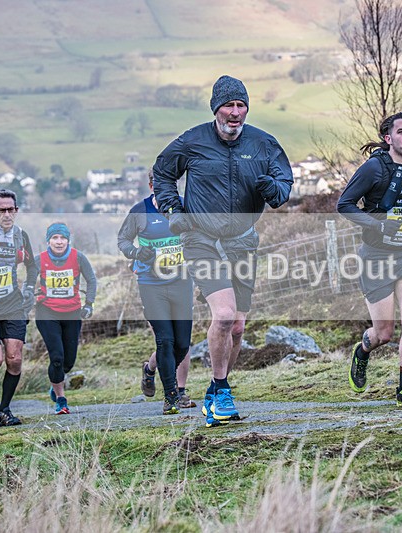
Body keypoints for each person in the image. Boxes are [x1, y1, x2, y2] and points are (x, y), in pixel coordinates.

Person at [153, 75, 292, 427]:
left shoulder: (263, 143)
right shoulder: (192, 141)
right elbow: (163, 173)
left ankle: (215, 393)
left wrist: (271, 188)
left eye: (240, 105)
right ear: (216, 108)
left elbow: (283, 186)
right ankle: (223, 391)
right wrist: (173, 210)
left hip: (242, 241)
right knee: (225, 314)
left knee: (238, 327)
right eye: (228, 105)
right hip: (201, 239)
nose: (235, 112)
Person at [337, 112, 402, 408]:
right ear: (388, 138)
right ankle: (362, 352)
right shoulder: (374, 168)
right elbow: (344, 205)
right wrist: (378, 225)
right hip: (376, 258)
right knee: (384, 333)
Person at [118, 170, 195, 415]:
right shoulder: (139, 212)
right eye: (160, 184)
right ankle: (171, 397)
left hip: (181, 282)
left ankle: (150, 369)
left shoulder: (185, 206)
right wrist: (136, 253)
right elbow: (123, 240)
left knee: (182, 344)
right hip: (151, 284)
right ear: (151, 186)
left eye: (170, 184)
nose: (166, 189)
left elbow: (201, 236)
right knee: (165, 340)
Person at [0, 189, 38, 427]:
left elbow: (32, 266)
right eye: (2, 210)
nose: (6, 214)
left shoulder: (20, 235)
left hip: (12, 303)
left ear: (16, 211)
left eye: (11, 210)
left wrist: (29, 289)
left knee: (14, 359)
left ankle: (4, 411)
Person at [34, 222, 97, 415]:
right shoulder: (39, 260)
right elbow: (27, 281)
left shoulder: (78, 257)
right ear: (48, 241)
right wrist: (28, 298)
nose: (59, 242)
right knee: (57, 358)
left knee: (68, 362)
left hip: (72, 312)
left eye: (63, 238)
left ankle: (55, 384)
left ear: (68, 240)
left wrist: (89, 304)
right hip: (46, 312)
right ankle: (61, 400)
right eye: (55, 238)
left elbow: (91, 280)